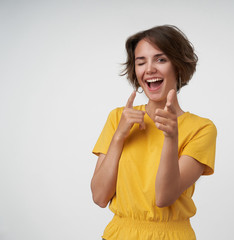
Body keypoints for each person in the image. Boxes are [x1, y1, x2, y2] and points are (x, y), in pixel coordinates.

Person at [91, 25, 217, 240]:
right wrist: (119, 136)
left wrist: (171, 138)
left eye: (160, 59)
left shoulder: (201, 129)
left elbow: (164, 197)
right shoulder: (118, 118)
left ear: (178, 66)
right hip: (117, 235)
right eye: (141, 62)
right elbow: (100, 197)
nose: (149, 69)